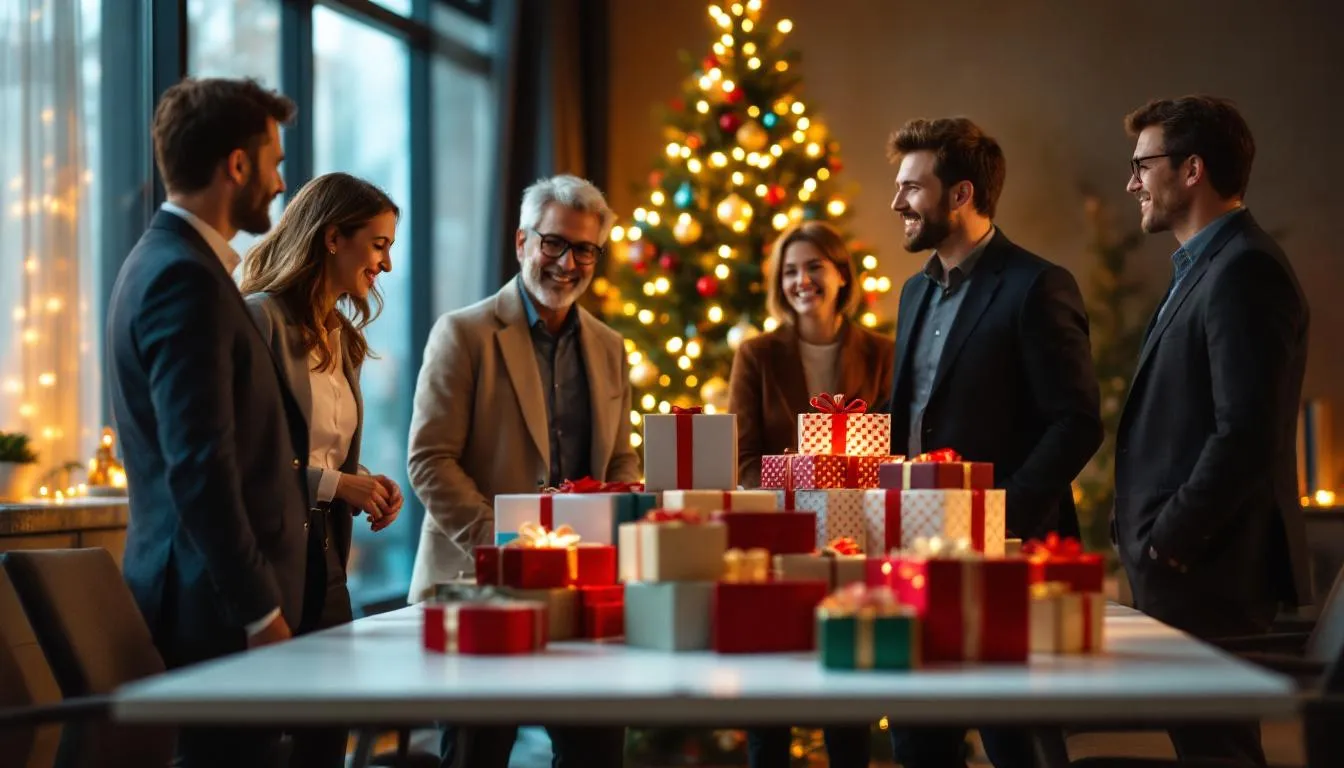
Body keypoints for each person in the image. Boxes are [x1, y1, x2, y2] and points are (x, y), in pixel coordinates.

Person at [884, 117, 1103, 768]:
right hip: (917, 553)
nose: (896, 202)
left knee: (1017, 743)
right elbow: (909, 416)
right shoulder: (913, 291)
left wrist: (1000, 513)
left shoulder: (1038, 285)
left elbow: (1077, 422)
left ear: (961, 194)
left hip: (1011, 556)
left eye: (912, 187)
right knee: (917, 741)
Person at [406, 174, 640, 768]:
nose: (567, 263)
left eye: (584, 249)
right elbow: (429, 460)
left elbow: (619, 461)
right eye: (553, 243)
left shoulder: (610, 347)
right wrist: (505, 546)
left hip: (581, 593)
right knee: (476, 756)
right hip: (479, 585)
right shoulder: (462, 333)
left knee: (595, 757)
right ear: (521, 241)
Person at [105, 76, 306, 767]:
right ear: (238, 165)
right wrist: (260, 611)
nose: (281, 182)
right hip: (217, 610)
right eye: (275, 162)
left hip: (210, 599)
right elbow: (199, 466)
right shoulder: (182, 277)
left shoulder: (165, 262)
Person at [1114, 95, 1310, 766]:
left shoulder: (1245, 270)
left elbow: (1245, 433)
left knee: (1220, 755)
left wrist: (1168, 540)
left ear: (1192, 169)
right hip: (1191, 570)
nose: (1133, 184)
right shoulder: (1206, 265)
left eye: (1143, 165)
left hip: (1210, 571)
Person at [239, 171, 406, 768]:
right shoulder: (258, 319)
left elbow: (318, 451)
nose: (386, 264)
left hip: (327, 560)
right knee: (260, 741)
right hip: (268, 561)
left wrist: (366, 482)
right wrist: (339, 484)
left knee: (325, 739)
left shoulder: (343, 339)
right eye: (379, 244)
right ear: (333, 238)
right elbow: (246, 461)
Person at [729, 220, 895, 488]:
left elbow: (894, 449)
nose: (802, 280)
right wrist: (800, 489)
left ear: (842, 275)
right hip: (780, 506)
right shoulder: (755, 355)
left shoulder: (883, 353)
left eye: (814, 267)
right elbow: (741, 458)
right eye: (790, 272)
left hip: (860, 505)